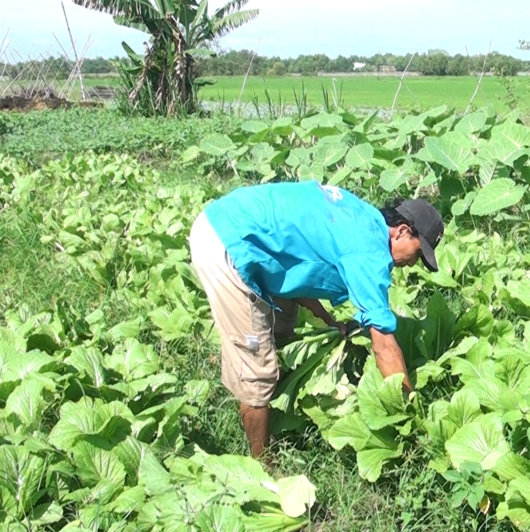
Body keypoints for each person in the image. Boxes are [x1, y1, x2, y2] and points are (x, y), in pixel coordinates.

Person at [188, 180, 444, 459]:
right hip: (228, 244)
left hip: (236, 223)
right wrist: (408, 408)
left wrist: (328, 319)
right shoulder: (369, 251)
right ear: (403, 232)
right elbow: (383, 345)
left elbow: (302, 261)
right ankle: (262, 466)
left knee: (283, 324)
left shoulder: (363, 216)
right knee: (256, 371)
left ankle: (277, 396)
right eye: (418, 253)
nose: (412, 263)